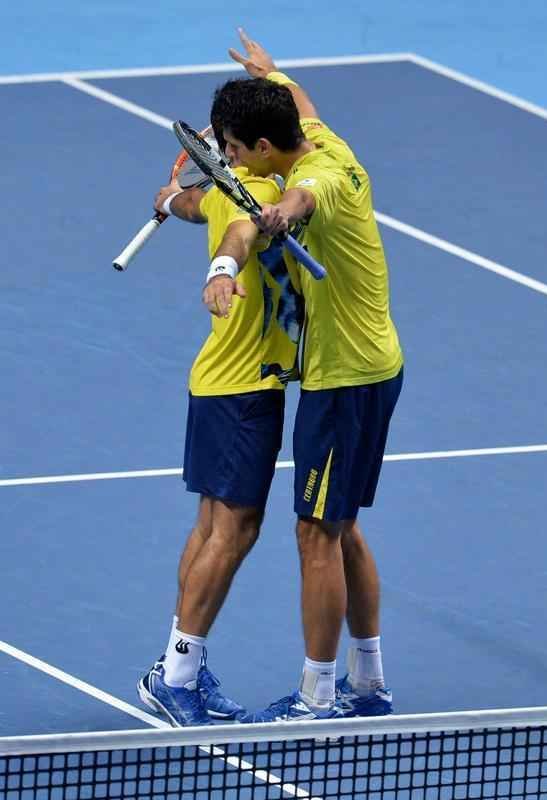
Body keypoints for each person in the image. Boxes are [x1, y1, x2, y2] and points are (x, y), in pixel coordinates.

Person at [209, 30, 404, 722]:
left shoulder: (314, 180)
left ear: (265, 151)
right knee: (341, 525)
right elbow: (301, 101)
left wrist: (274, 213)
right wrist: (272, 71)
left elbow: (301, 204)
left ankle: (319, 697)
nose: (228, 156)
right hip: (377, 364)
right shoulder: (324, 143)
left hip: (344, 378)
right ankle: (370, 681)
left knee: (315, 533)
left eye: (233, 149)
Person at [137, 117, 304, 726]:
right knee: (234, 531)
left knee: (212, 525)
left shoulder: (217, 189)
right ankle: (179, 674)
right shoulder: (256, 195)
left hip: (215, 380)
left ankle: (177, 660)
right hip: (246, 387)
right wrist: (222, 270)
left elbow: (187, 204)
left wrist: (167, 198)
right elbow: (238, 234)